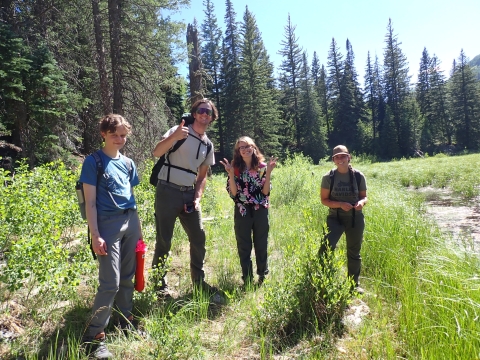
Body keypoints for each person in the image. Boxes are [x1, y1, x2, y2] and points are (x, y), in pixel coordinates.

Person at [80, 114, 143, 359]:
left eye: (123, 135)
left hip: (131, 221)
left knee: (128, 276)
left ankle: (126, 318)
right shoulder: (93, 162)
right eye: (114, 134)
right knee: (111, 281)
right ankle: (94, 335)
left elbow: (130, 195)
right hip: (106, 225)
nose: (119, 139)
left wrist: (138, 229)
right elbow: (91, 203)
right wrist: (95, 235)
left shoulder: (128, 163)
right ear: (103, 134)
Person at [152, 98, 217, 295]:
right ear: (195, 113)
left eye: (209, 112)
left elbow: (202, 177)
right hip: (167, 191)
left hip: (189, 195)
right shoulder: (179, 131)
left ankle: (199, 282)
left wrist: (197, 197)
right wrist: (174, 137)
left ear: (212, 118)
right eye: (201, 110)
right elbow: (156, 152)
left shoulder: (208, 145)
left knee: (199, 237)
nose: (204, 114)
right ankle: (158, 285)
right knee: (164, 239)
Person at [219, 137, 277, 286]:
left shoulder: (262, 167)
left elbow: (265, 193)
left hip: (260, 211)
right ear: (238, 151)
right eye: (241, 147)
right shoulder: (235, 168)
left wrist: (269, 172)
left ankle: (262, 275)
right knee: (244, 245)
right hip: (242, 210)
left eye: (248, 146)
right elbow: (234, 193)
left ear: (254, 148)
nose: (245, 149)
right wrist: (231, 174)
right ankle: (247, 279)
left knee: (261, 243)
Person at [319, 145, 367, 294]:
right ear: (333, 160)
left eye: (343, 156)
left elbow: (364, 196)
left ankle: (353, 285)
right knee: (326, 249)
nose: (340, 159)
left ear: (349, 157)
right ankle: (323, 281)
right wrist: (340, 204)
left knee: (354, 252)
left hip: (355, 218)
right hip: (335, 218)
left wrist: (361, 203)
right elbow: (324, 200)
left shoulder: (358, 176)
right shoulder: (328, 178)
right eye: (337, 157)